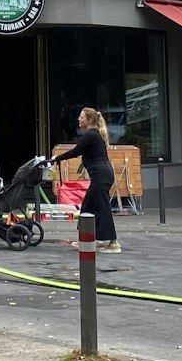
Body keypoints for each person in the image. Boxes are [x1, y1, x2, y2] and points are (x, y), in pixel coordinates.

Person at [52, 107, 120, 253]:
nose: (78, 119)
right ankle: (87, 239)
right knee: (88, 207)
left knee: (102, 208)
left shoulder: (91, 136)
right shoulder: (93, 136)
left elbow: (76, 151)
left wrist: (57, 158)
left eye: (81, 117)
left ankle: (113, 243)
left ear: (88, 120)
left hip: (101, 175)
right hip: (102, 174)